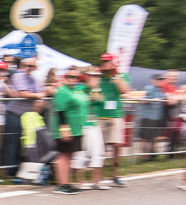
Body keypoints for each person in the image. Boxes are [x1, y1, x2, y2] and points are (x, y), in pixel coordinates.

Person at [50, 67, 89, 195]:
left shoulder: (76, 90)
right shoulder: (62, 91)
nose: (74, 80)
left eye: (77, 77)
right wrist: (65, 129)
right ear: (65, 77)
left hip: (76, 128)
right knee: (64, 155)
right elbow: (61, 111)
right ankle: (62, 184)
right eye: (71, 77)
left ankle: (66, 182)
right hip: (66, 128)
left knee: (69, 155)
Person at [96, 53, 131, 186]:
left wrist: (114, 74)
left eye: (107, 62)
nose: (105, 65)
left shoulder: (121, 75)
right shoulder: (99, 76)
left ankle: (115, 174)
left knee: (117, 145)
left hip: (116, 114)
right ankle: (98, 176)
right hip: (100, 115)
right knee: (101, 147)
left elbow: (124, 90)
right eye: (103, 62)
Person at [6, 57, 43, 179]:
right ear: (23, 66)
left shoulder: (33, 79)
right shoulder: (18, 76)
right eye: (28, 66)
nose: (29, 68)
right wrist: (37, 95)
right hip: (14, 114)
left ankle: (20, 169)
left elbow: (41, 92)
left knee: (24, 144)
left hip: (26, 116)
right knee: (13, 143)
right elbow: (23, 93)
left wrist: (37, 95)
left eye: (32, 66)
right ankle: (11, 171)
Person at [73, 68, 109, 190]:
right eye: (94, 76)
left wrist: (96, 89)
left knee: (99, 151)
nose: (96, 78)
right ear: (86, 76)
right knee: (81, 153)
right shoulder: (79, 88)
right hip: (82, 124)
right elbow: (81, 101)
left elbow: (101, 101)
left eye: (98, 76)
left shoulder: (96, 89)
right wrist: (92, 90)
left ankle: (96, 182)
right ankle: (80, 182)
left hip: (94, 124)